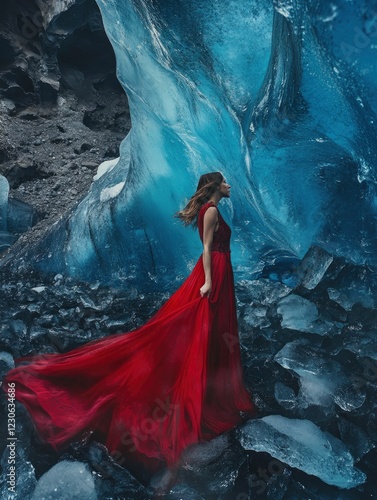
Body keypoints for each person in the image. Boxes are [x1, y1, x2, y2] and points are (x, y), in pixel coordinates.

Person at [2, 171, 255, 478]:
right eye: (225, 182)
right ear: (215, 186)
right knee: (194, 327)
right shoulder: (211, 211)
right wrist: (208, 283)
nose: (230, 186)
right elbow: (205, 249)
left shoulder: (211, 209)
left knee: (207, 329)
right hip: (213, 272)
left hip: (219, 272)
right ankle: (200, 386)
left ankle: (211, 379)